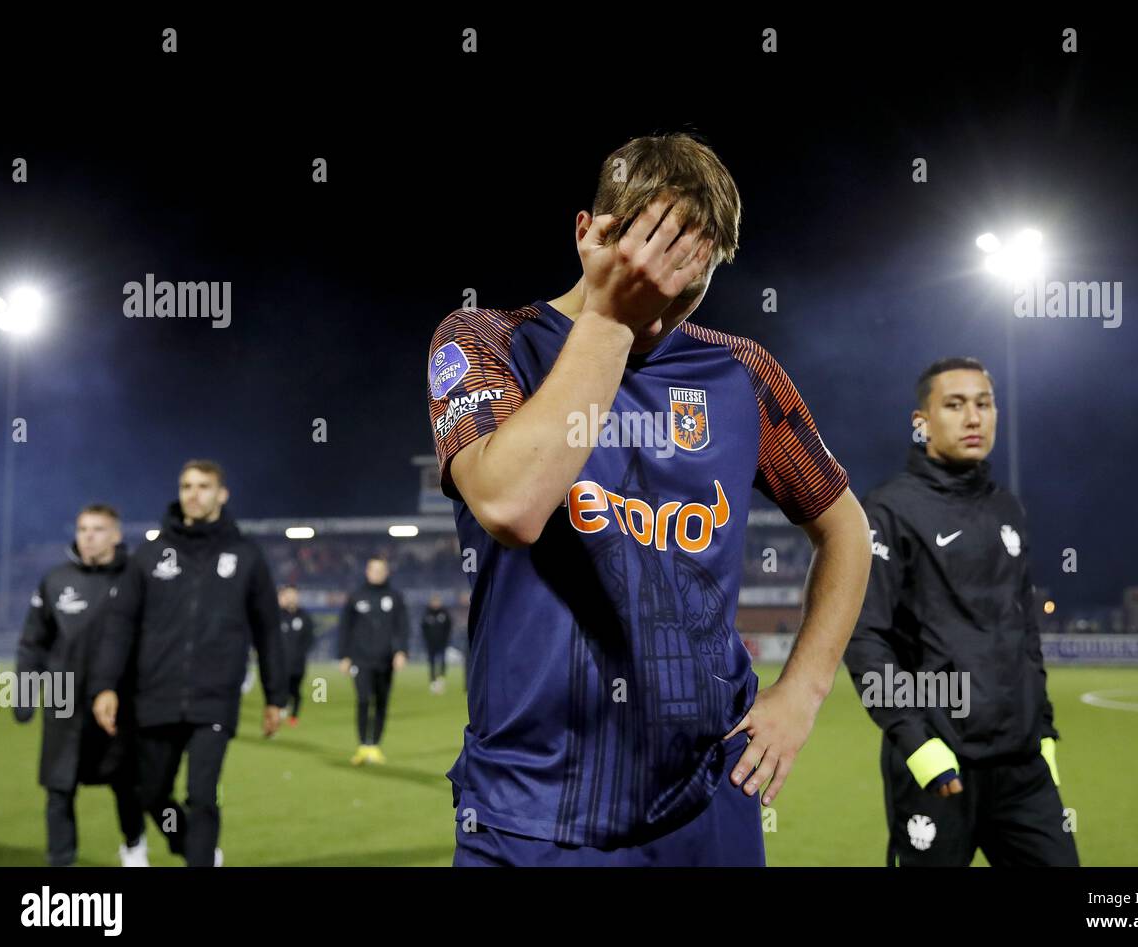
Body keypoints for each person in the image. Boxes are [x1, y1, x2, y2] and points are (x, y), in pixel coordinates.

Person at [426, 132, 872, 865]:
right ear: (588, 235)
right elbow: (512, 506)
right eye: (647, 261)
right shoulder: (486, 342)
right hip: (529, 809)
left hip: (706, 800)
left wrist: (803, 694)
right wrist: (606, 319)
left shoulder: (742, 374)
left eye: (690, 273)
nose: (662, 300)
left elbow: (846, 528)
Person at [844, 358, 1078, 866]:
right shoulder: (888, 509)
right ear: (921, 421)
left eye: (984, 404)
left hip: (1022, 768)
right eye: (954, 405)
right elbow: (864, 637)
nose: (974, 418)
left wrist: (1043, 732)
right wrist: (915, 742)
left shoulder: (1007, 508)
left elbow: (1024, 630)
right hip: (938, 762)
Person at [92, 460, 287, 867]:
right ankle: (192, 848)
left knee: (202, 795)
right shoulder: (149, 554)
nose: (193, 493)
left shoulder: (245, 555)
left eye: (203, 486)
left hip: (214, 699)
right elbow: (120, 625)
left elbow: (268, 629)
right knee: (151, 793)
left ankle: (199, 857)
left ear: (222, 494)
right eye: (186, 486)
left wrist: (276, 696)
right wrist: (106, 685)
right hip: (156, 696)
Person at [15, 503, 147, 867]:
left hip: (119, 702)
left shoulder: (135, 579)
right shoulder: (55, 581)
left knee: (127, 784)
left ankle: (134, 847)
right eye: (83, 529)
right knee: (59, 788)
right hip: (62, 701)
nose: (89, 536)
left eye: (99, 529)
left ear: (117, 535)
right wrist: (26, 695)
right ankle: (61, 862)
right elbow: (33, 642)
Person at [337, 557, 408, 765]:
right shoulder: (356, 597)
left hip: (385, 659)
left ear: (387, 572)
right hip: (360, 659)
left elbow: (402, 626)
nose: (377, 573)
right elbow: (345, 627)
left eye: (381, 569)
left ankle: (375, 745)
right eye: (373, 569)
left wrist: (401, 651)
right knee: (363, 699)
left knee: (381, 702)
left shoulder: (394, 597)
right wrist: (344, 655)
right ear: (367, 571)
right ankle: (362, 746)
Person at [278, 586, 316, 725]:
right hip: (280, 662)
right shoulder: (277, 615)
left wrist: (300, 653)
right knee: (280, 686)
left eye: (293, 595)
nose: (291, 598)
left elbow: (310, 638)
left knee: (295, 690)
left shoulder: (304, 616)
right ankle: (281, 708)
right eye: (288, 595)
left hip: (298, 663)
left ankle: (294, 715)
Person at [420, 593, 452, 693]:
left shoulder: (444, 613)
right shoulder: (427, 613)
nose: (436, 604)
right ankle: (432, 681)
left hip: (442, 643)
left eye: (437, 601)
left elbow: (449, 627)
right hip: (430, 643)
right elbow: (423, 628)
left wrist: (446, 639)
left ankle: (441, 679)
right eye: (434, 602)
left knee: (442, 661)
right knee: (431, 662)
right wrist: (426, 640)